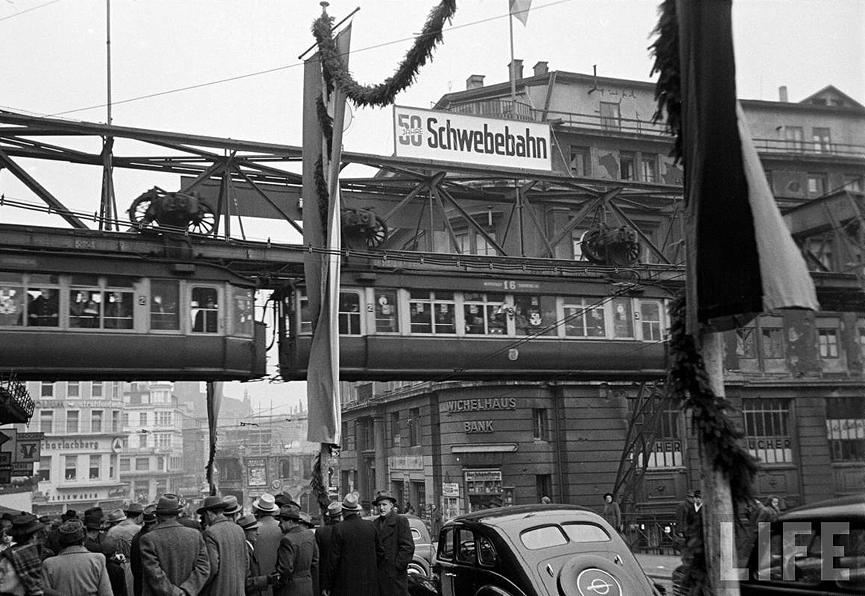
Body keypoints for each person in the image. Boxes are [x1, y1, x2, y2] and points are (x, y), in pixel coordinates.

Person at [139, 494, 210, 596]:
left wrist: (174, 593)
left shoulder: (148, 539)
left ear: (158, 516)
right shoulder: (195, 535)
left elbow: (154, 574)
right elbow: (204, 567)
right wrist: (187, 590)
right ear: (177, 514)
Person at [321, 494, 377, 596]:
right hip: (369, 582)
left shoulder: (339, 528)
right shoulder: (370, 526)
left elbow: (333, 560)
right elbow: (380, 552)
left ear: (343, 511)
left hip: (346, 583)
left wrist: (327, 585)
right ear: (357, 510)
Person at [41, 520, 112, 596]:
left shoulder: (49, 564)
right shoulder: (97, 559)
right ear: (83, 539)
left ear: (60, 542)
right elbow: (106, 592)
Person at [199, 495, 248, 596]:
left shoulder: (210, 532)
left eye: (204, 515)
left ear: (208, 513)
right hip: (239, 591)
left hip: (218, 591)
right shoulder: (239, 530)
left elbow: (211, 568)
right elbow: (246, 563)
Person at [372, 490, 414, 596]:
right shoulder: (375, 524)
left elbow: (408, 547)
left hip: (395, 577)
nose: (381, 508)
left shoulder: (400, 521)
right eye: (379, 505)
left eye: (384, 504)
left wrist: (397, 567)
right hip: (380, 576)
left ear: (391, 505)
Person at [273, 508, 318, 596]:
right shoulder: (310, 534)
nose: (279, 525)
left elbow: (286, 569)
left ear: (290, 522)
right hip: (307, 586)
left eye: (281, 522)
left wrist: (277, 583)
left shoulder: (287, 540)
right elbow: (315, 561)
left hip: (290, 588)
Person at [252, 493, 282, 596]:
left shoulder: (253, 530)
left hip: (259, 579)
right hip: (278, 576)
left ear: (258, 511)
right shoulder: (281, 528)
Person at [237, 514, 270, 596]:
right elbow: (245, 582)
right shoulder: (244, 550)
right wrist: (267, 579)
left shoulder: (248, 548)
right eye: (254, 530)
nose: (258, 533)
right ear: (245, 532)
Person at [315, 501, 342, 596]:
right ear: (341, 515)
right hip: (343, 576)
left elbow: (317, 558)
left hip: (325, 576)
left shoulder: (321, 532)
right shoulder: (345, 530)